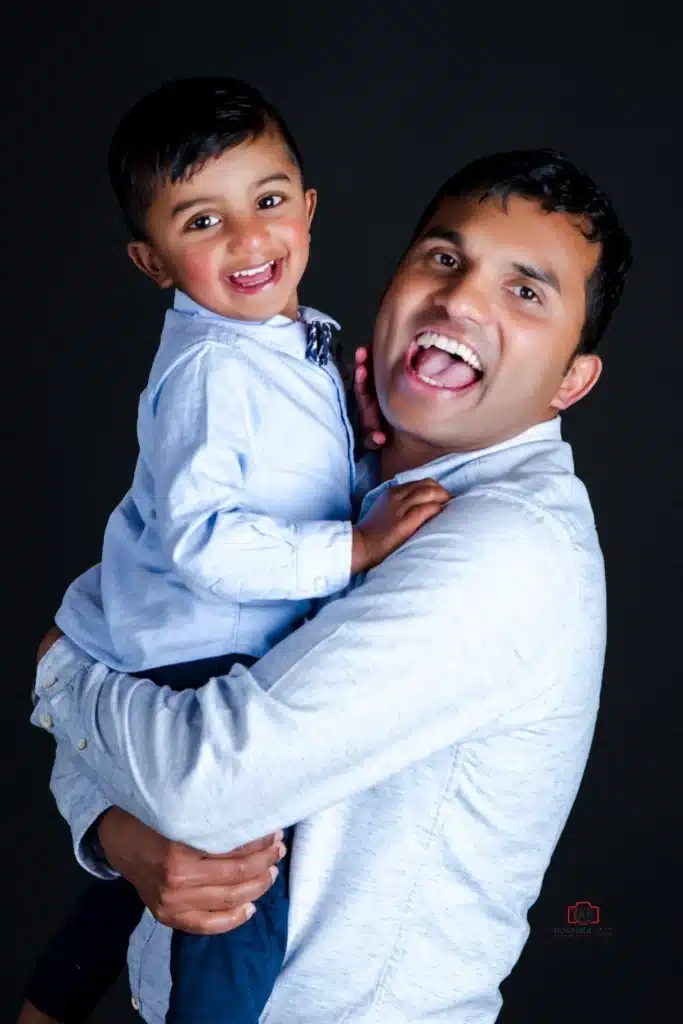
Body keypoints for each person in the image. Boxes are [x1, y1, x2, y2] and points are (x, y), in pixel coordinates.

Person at [29, 147, 632, 1023]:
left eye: (525, 291)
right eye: (444, 257)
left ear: (571, 380)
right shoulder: (330, 477)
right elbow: (136, 637)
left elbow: (200, 780)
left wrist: (59, 678)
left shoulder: (506, 550)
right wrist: (117, 832)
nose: (460, 300)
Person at [20, 76, 448, 1024]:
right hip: (197, 650)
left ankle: (47, 1005)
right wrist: (353, 547)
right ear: (153, 261)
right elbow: (208, 544)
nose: (249, 240)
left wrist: (360, 446)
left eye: (267, 200)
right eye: (203, 222)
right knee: (236, 897)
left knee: (145, 883)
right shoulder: (213, 367)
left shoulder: (288, 336)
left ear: (308, 206)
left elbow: (280, 478)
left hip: (212, 635)